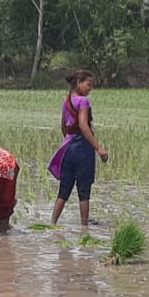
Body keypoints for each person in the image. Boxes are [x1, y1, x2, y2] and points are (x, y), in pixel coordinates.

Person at [48, 70, 108, 227]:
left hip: (68, 148)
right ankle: (84, 227)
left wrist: (68, 141)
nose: (90, 88)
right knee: (84, 190)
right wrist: (99, 148)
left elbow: (63, 126)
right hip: (82, 149)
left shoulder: (66, 100)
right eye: (88, 84)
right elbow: (83, 125)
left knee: (64, 189)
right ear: (79, 83)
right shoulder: (83, 102)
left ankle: (53, 222)